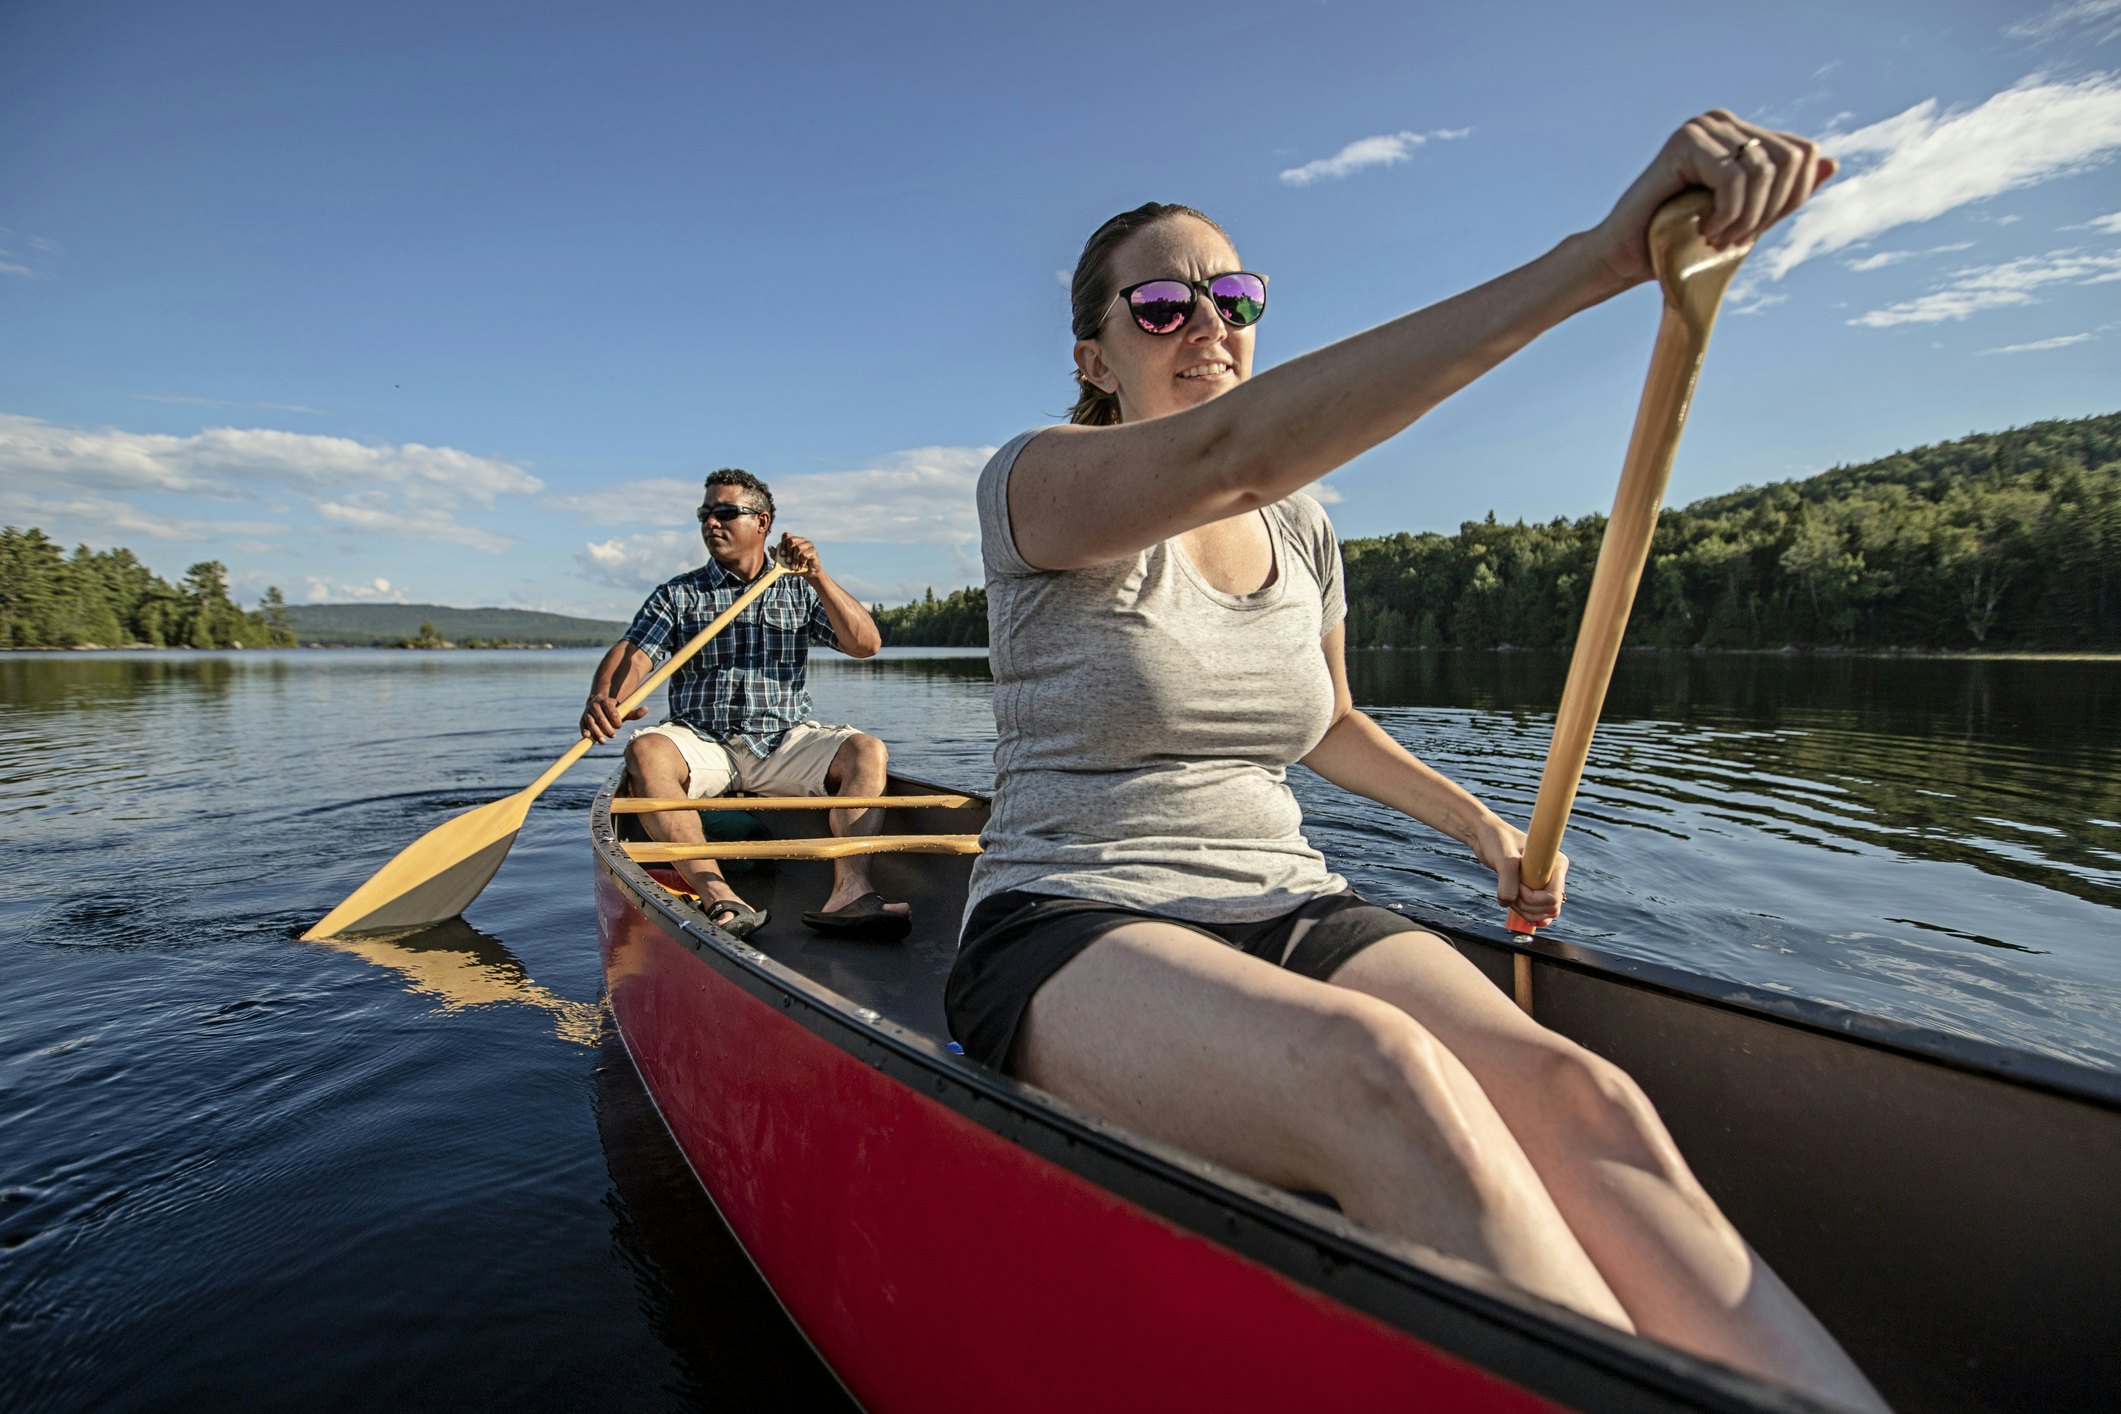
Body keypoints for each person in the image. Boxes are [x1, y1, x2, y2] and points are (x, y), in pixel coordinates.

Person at [946, 113, 1889, 1411]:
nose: (1206, 324)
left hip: (1284, 898)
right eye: (1159, 305)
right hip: (1071, 916)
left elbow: (1331, 721)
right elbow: (1238, 451)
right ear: (1094, 355)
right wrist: (1596, 259)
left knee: (1584, 1096)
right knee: (1385, 1076)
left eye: (1233, 296)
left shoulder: (1305, 531)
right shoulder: (1039, 482)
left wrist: (1482, 829)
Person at [581, 468, 911, 941]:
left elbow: (865, 644)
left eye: (724, 513)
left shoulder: (798, 588)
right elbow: (633, 653)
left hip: (783, 739)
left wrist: (818, 576)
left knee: (867, 751)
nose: (711, 523)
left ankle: (850, 892)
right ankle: (720, 896)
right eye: (705, 514)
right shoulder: (679, 594)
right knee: (646, 751)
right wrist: (606, 696)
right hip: (703, 741)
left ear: (763, 522)